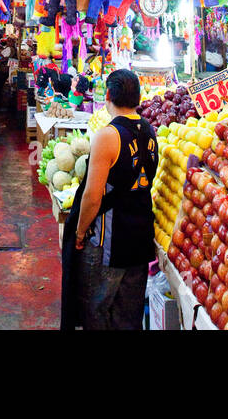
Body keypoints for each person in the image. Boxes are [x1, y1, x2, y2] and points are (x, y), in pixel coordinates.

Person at [61, 69, 158, 330]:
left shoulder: (108, 135)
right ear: (138, 97)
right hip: (139, 240)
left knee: (96, 312)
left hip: (109, 244)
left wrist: (80, 232)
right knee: (128, 317)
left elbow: (93, 197)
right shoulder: (150, 131)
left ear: (107, 95)